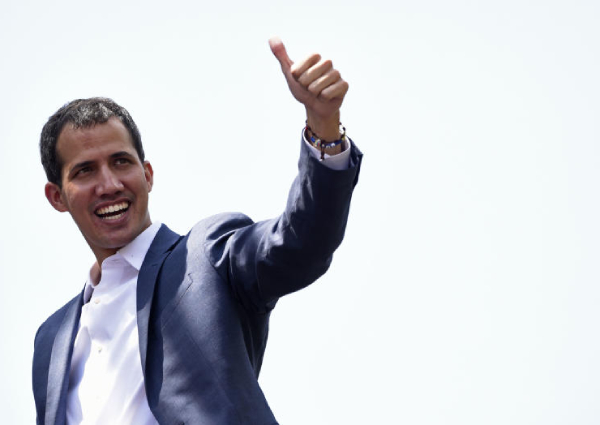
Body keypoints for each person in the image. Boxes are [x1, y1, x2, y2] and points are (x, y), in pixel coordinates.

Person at [32, 37, 362, 425]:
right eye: (85, 171)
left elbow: (302, 243)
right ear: (57, 196)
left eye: (121, 162)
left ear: (147, 175)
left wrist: (324, 127)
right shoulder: (51, 340)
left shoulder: (207, 255)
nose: (109, 184)